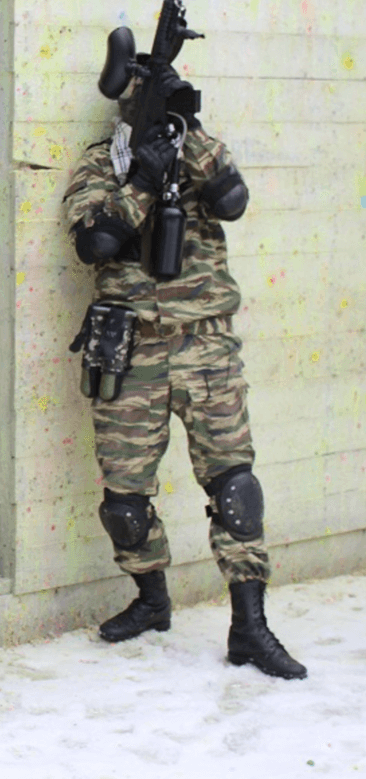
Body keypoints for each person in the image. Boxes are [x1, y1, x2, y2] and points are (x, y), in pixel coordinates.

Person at [63, 59, 306, 680]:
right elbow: (95, 242)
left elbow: (233, 199)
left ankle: (249, 626)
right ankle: (151, 601)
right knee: (124, 501)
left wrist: (188, 135)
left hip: (206, 349)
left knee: (235, 489)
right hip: (129, 349)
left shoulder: (201, 153)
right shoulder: (101, 165)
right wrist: (142, 180)